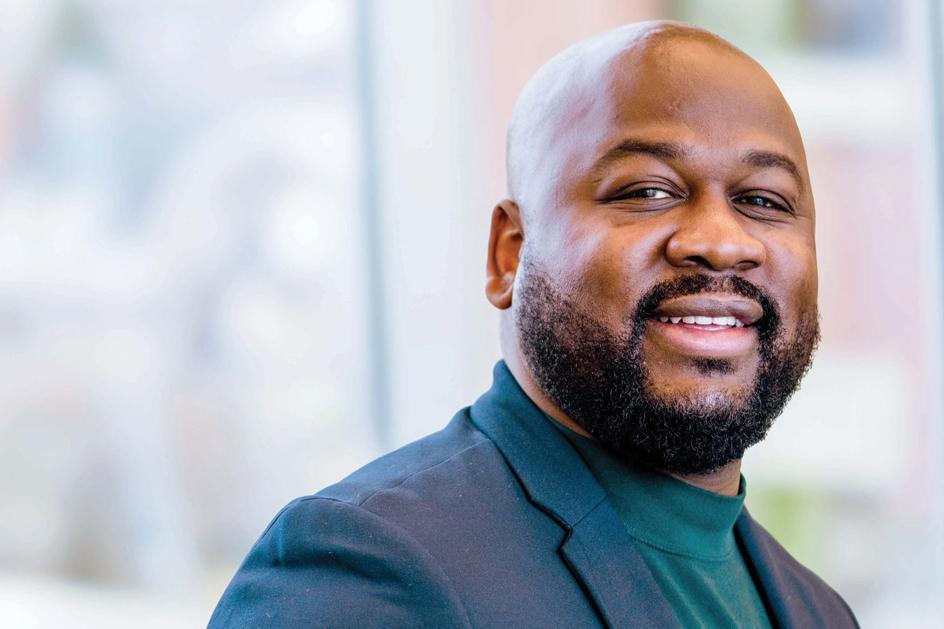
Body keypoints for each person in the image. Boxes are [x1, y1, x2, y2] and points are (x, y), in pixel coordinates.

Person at [210, 20, 858, 628]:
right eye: (647, 191)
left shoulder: (820, 611)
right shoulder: (365, 568)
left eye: (763, 200)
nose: (720, 242)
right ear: (509, 254)